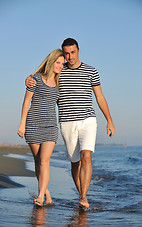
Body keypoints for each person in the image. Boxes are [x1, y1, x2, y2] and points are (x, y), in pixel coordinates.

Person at [26, 38, 115, 209]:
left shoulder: (91, 71)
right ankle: (81, 195)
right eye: (66, 53)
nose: (69, 56)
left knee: (86, 157)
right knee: (75, 162)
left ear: (79, 51)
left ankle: (83, 197)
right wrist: (28, 80)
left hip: (88, 119)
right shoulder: (59, 70)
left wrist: (109, 120)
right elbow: (41, 77)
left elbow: (100, 97)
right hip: (67, 122)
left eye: (73, 52)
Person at [17, 49, 65, 206]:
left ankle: (40, 196)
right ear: (51, 62)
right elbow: (26, 102)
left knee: (44, 161)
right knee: (38, 162)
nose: (60, 66)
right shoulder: (35, 79)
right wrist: (22, 124)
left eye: (62, 64)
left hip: (51, 127)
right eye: (58, 63)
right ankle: (47, 193)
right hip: (33, 125)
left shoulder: (59, 82)